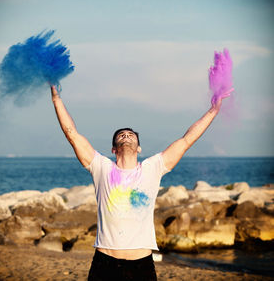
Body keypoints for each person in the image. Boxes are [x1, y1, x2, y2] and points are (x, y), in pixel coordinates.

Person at [50, 85, 233, 281]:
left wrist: (213, 110)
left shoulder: (152, 168)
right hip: (105, 262)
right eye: (121, 135)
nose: (126, 136)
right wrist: (56, 99)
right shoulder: (101, 167)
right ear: (113, 149)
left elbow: (187, 139)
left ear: (139, 148)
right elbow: (71, 133)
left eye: (131, 135)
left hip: (141, 265)